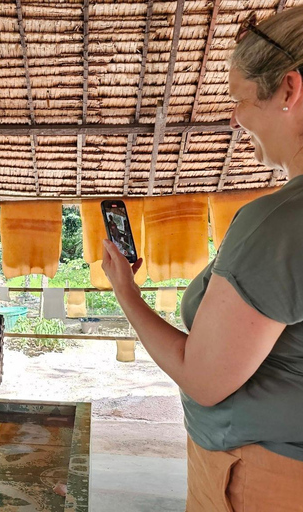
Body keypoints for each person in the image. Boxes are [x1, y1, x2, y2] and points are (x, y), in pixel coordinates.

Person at [101, 8, 303, 510]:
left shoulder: (279, 222)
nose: (236, 119)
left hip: (263, 478)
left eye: (239, 100)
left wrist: (126, 293)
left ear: (288, 91)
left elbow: (204, 379)